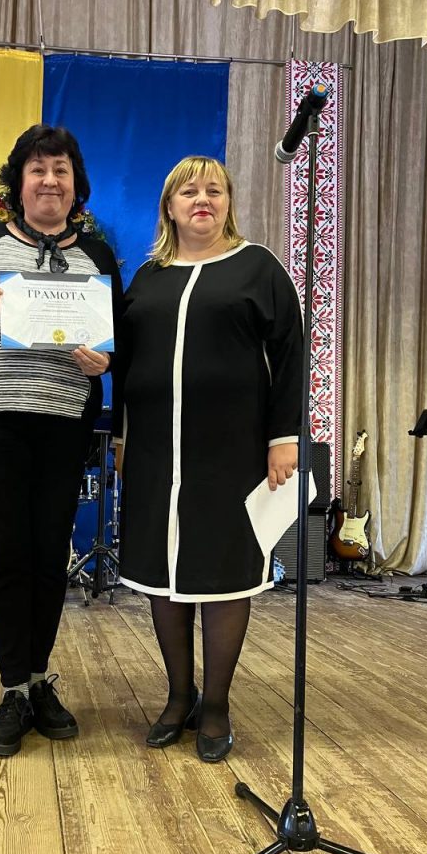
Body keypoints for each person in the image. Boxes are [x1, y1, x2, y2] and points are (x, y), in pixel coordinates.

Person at [0, 124, 123, 757]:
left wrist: (106, 362)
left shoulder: (97, 255)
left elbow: (120, 340)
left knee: (49, 553)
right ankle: (14, 687)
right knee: (9, 552)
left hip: (66, 420)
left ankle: (39, 678)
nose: (49, 180)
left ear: (76, 184)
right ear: (18, 182)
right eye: (38, 169)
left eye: (60, 170)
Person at [113, 156, 303, 762]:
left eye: (214, 190)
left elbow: (291, 355)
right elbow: (125, 363)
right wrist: (120, 437)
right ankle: (179, 696)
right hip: (153, 451)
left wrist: (284, 437)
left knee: (222, 576)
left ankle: (216, 704)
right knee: (162, 576)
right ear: (169, 208)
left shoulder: (259, 268)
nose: (203, 199)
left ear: (228, 203)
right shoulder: (147, 278)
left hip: (230, 451)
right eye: (189, 191)